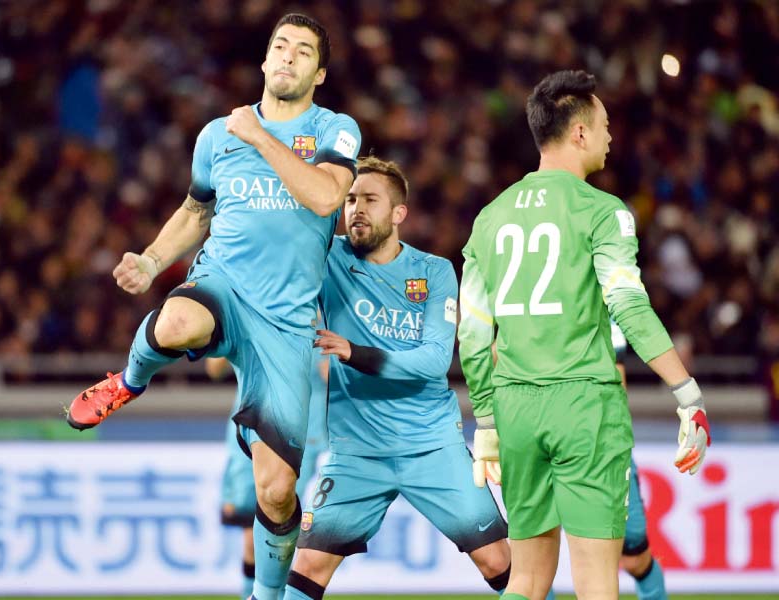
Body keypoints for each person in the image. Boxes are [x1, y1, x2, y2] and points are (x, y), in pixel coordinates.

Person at [66, 14, 361, 600]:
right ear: (263, 60)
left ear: (319, 72)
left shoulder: (335, 128)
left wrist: (260, 137)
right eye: (280, 46)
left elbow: (328, 194)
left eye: (303, 52)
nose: (287, 57)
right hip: (223, 285)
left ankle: (267, 595)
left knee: (276, 492)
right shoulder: (215, 136)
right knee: (174, 321)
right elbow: (196, 211)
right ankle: (126, 382)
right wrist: (151, 261)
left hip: (286, 323)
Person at [457, 70, 710, 600]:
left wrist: (486, 421)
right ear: (578, 133)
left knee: (525, 581)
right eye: (604, 125)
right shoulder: (603, 212)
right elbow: (628, 306)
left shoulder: (489, 218)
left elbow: (475, 336)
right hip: (585, 407)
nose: (610, 137)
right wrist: (687, 393)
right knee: (597, 584)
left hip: (516, 408)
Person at [282, 157, 512, 600]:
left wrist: (355, 352)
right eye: (350, 200)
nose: (356, 210)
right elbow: (283, 234)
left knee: (497, 561)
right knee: (309, 564)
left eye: (370, 200)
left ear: (398, 213)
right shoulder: (328, 259)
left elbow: (432, 362)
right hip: (356, 453)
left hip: (431, 445)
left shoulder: (434, 272)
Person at [207, 355, 328, 600]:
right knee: (251, 531)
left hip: (302, 434)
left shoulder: (329, 323)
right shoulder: (253, 318)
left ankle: (273, 594)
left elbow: (336, 375)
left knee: (283, 519)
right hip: (252, 427)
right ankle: (251, 594)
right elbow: (214, 368)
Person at [610, 322, 667, 600]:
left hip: (603, 445)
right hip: (539, 436)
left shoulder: (601, 311)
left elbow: (618, 378)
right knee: (534, 558)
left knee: (634, 556)